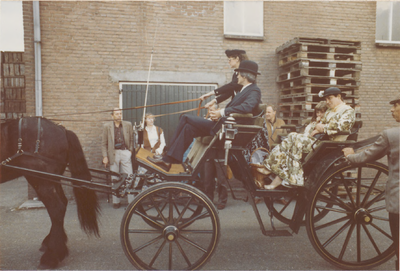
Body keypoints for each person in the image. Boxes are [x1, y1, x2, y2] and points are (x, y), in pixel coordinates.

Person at [147, 60, 262, 171]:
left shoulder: (254, 91)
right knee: (188, 128)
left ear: (244, 76)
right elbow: (238, 108)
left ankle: (167, 156)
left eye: (239, 74)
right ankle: (171, 159)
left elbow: (247, 107)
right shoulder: (244, 90)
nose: (237, 76)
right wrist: (216, 115)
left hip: (226, 129)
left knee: (185, 117)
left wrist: (221, 112)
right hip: (221, 125)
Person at [342, 94, 400, 270]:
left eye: (395, 105)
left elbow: (367, 156)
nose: (391, 109)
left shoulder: (391, 135)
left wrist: (350, 156)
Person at [258, 87, 355, 189]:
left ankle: (293, 178)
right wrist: (317, 127)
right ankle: (270, 168)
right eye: (326, 99)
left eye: (330, 98)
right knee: (291, 136)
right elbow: (319, 124)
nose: (327, 101)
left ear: (338, 96)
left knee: (294, 140)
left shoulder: (347, 110)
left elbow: (342, 126)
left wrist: (322, 128)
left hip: (329, 143)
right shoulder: (330, 110)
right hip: (320, 140)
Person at [101, 108, 135, 208]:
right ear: (112, 116)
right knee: (114, 178)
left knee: (129, 176)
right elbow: (104, 143)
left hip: (125, 152)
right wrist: (105, 156)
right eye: (116, 114)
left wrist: (130, 151)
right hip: (113, 153)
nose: (119, 115)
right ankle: (116, 201)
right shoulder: (107, 126)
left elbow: (132, 139)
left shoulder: (127, 124)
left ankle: (131, 201)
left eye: (120, 114)